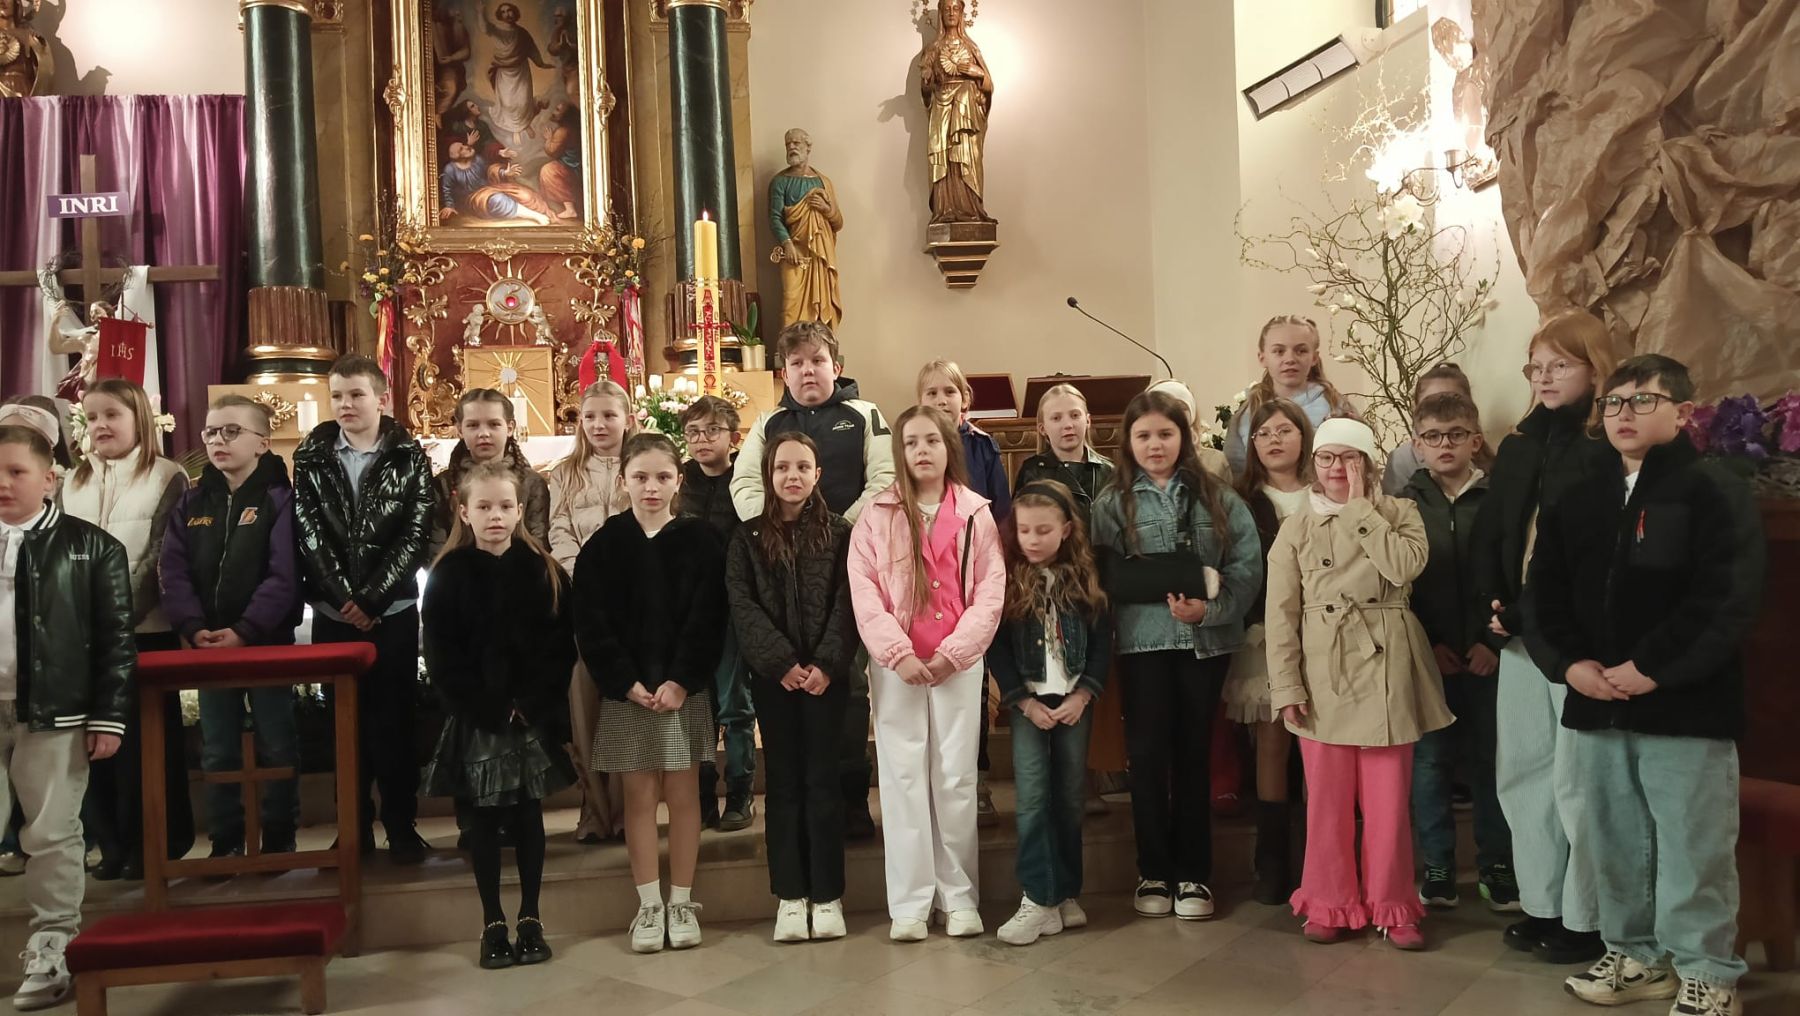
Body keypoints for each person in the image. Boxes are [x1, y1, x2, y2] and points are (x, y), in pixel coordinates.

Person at [1528, 355, 1763, 1016]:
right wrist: (1569, 664)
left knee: (1693, 845)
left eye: (1641, 401)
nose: (1623, 414)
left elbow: (1727, 598)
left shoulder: (1713, 489)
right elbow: (1542, 593)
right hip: (1596, 701)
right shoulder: (1578, 494)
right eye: (1613, 403)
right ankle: (1637, 956)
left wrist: (1653, 665)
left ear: (1682, 412)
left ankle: (1707, 971)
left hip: (1685, 705)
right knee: (1613, 840)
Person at [1266, 417, 1451, 951]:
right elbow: (1281, 613)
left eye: (1349, 458)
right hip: (1323, 670)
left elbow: (1404, 568)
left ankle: (1393, 906)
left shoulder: (1400, 512)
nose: (1336, 468)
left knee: (1388, 803)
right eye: (1326, 458)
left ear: (1369, 464)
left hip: (1387, 667)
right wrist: (1287, 687)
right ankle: (1329, 902)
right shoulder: (1296, 526)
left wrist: (1360, 511)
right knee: (1326, 802)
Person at [1472, 309, 1618, 964]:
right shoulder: (1521, 445)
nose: (1544, 377)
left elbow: (1593, 555)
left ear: (1595, 367)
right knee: (1524, 770)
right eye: (1536, 367)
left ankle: (1588, 919)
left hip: (1578, 640)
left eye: (1560, 364)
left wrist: (1533, 612)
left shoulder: (1604, 447)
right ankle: (1543, 903)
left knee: (1577, 782)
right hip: (1519, 634)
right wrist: (1494, 604)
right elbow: (1495, 533)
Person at [1090, 390, 1262, 921]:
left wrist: (1209, 610)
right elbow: (1103, 576)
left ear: (1183, 437)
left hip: (1204, 644)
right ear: (1128, 443)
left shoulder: (1218, 497)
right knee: (1146, 759)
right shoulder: (1112, 503)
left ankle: (1193, 874)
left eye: (1165, 434)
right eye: (1143, 435)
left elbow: (1246, 566)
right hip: (1141, 646)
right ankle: (1153, 872)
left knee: (1193, 756)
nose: (1155, 444)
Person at [732, 321, 895, 840]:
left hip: (849, 558)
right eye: (797, 363)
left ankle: (852, 798)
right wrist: (773, 528)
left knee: (848, 684)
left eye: (817, 361)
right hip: (781, 566)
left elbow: (885, 480)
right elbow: (745, 481)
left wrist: (836, 531)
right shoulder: (769, 422)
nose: (808, 371)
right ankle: (803, 801)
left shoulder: (864, 414)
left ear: (836, 368)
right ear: (784, 373)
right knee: (792, 681)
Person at [848, 405, 1004, 942]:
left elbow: (990, 592)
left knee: (955, 777)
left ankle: (958, 897)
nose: (921, 450)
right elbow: (865, 591)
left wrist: (955, 653)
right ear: (900, 451)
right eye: (911, 441)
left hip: (956, 664)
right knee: (903, 778)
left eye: (931, 440)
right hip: (899, 666)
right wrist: (897, 654)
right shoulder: (878, 514)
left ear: (948, 447)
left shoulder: (975, 513)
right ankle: (911, 902)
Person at [575, 433, 727, 954]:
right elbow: (592, 624)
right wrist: (625, 682)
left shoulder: (701, 541)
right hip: (630, 693)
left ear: (678, 481)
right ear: (623, 481)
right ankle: (648, 905)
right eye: (640, 477)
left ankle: (681, 901)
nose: (651, 487)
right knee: (639, 799)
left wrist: (682, 679)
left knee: (684, 796)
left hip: (683, 690)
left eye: (663, 477)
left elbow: (710, 618)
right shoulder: (604, 547)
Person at [423, 461, 577, 971]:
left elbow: (560, 647)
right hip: (479, 716)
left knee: (530, 817)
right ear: (463, 511)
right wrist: (485, 706)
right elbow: (441, 655)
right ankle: (492, 922)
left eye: (505, 506)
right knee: (483, 821)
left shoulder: (543, 571)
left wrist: (530, 702)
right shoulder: (448, 575)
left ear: (520, 510)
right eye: (484, 506)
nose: (495, 516)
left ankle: (530, 918)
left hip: (528, 714)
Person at [0, 424, 133, 1011]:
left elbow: (115, 640)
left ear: (49, 479)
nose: (3, 484)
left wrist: (108, 715)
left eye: (16, 472)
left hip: (56, 710)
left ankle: (51, 947)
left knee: (52, 832)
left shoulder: (92, 547)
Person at [293, 354, 436, 864]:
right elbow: (308, 530)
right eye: (337, 396)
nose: (345, 404)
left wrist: (374, 598)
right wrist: (342, 598)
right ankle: (352, 827)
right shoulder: (311, 455)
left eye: (356, 394)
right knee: (342, 724)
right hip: (334, 614)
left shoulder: (409, 455)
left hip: (392, 611)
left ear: (381, 398)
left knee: (393, 721)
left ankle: (400, 824)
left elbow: (415, 532)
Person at [724, 433, 858, 943]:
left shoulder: (840, 533)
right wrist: (780, 662)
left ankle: (827, 894)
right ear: (769, 474)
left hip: (826, 678)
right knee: (782, 782)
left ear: (817, 474)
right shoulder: (748, 538)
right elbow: (743, 605)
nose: (792, 476)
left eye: (803, 467)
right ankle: (790, 895)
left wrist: (825, 663)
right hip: (774, 679)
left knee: (823, 780)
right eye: (783, 467)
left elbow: (848, 601)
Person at [160, 396, 303, 861]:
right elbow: (173, 570)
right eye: (210, 432)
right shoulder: (192, 500)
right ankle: (225, 839)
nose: (217, 440)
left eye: (231, 431)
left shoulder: (281, 500)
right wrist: (192, 625)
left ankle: (280, 834)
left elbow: (284, 575)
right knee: (218, 747)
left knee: (276, 742)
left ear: (262, 443)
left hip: (266, 643)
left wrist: (245, 629)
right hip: (209, 648)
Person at [60, 378, 193, 881]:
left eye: (111, 415)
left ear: (139, 418)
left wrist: (115, 619)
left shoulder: (166, 476)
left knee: (144, 744)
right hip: (83, 636)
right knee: (93, 744)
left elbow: (160, 556)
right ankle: (110, 845)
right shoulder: (72, 481)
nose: (100, 426)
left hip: (144, 631)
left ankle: (153, 842)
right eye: (92, 417)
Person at [1400, 392, 1517, 913]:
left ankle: (1497, 864)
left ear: (1475, 440)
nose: (1444, 445)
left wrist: (1494, 642)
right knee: (1431, 763)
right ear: (1417, 445)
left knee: (1492, 761)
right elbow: (1400, 584)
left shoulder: (1500, 497)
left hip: (1491, 653)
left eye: (1455, 435)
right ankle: (1439, 866)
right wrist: (1430, 644)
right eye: (1432, 436)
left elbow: (1516, 573)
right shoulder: (1404, 504)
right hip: (1431, 657)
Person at [989, 480, 1111, 946]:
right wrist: (1022, 701)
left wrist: (1084, 696)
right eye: (1024, 531)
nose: (1033, 540)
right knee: (1033, 799)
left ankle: (1064, 894)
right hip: (1029, 704)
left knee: (1069, 798)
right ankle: (1038, 897)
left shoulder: (1086, 578)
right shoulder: (1008, 578)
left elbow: (1102, 642)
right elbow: (998, 648)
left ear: (1066, 530)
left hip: (1074, 701)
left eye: (1043, 530)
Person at [1221, 397, 1312, 905]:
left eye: (1285, 430)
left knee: (1319, 742)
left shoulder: (1323, 493)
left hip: (1323, 632)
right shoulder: (1242, 500)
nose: (1274, 440)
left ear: (1304, 436)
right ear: (1252, 445)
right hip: (1264, 631)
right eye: (1264, 434)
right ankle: (1272, 862)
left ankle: (1319, 857)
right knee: (1273, 741)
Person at [918, 358, 1008, 823]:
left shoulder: (983, 447)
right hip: (925, 585)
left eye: (948, 392)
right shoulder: (911, 444)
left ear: (965, 400)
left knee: (974, 687)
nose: (940, 400)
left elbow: (1000, 515)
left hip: (970, 584)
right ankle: (932, 783)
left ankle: (978, 779)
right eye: (931, 393)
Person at [548, 380, 634, 844]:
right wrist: (586, 578)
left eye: (609, 415)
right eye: (590, 416)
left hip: (631, 603)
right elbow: (558, 530)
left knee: (625, 708)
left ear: (627, 419)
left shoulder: (640, 466)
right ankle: (593, 810)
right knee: (585, 711)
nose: (599, 425)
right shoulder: (564, 473)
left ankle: (626, 811)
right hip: (583, 602)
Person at [677, 396, 756, 832]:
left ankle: (740, 792)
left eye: (712, 430)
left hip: (731, 608)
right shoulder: (680, 480)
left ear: (733, 437)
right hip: (690, 610)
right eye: (693, 432)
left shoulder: (746, 478)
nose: (702, 440)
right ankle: (703, 794)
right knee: (697, 705)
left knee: (734, 704)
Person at [1223, 315, 1356, 477]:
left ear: (1314, 358)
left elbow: (1357, 464)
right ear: (1262, 358)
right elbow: (1236, 474)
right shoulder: (1248, 414)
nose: (1290, 359)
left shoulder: (1335, 407)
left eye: (1301, 351)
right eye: (1279, 351)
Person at [428, 388, 549, 563]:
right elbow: (437, 548)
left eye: (493, 424)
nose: (484, 433)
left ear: (510, 428)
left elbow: (538, 543)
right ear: (460, 430)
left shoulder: (531, 482)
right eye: (473, 425)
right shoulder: (444, 484)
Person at [768, 127, 845, 330]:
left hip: (821, 256)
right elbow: (775, 218)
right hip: (795, 254)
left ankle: (821, 344)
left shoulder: (824, 182)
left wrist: (826, 209)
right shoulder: (779, 182)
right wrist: (787, 244)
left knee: (821, 306)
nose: (791, 147)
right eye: (788, 144)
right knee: (790, 305)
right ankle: (789, 347)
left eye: (796, 143)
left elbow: (838, 222)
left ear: (808, 147)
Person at [1382, 363, 1491, 495]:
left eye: (1453, 401)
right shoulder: (1402, 461)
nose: (1442, 409)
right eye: (1430, 403)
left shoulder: (1488, 468)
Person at [1013, 383, 1114, 523]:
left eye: (1075, 415)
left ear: (1088, 420)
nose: (1068, 425)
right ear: (1042, 429)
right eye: (1056, 418)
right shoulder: (1032, 471)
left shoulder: (1108, 471)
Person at [480, 1, 550, 145]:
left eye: (509, 10)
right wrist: (480, 11)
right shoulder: (496, 30)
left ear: (515, 13)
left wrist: (541, 63)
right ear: (500, 15)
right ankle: (515, 130)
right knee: (508, 103)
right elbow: (484, 28)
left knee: (523, 101)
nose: (507, 14)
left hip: (521, 71)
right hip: (504, 73)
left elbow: (532, 49)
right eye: (503, 12)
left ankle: (524, 124)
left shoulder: (522, 33)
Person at [1143, 378, 1233, 485]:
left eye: (1181, 407)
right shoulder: (1142, 461)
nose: (1175, 414)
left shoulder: (1215, 461)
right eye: (1164, 407)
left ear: (1192, 413)